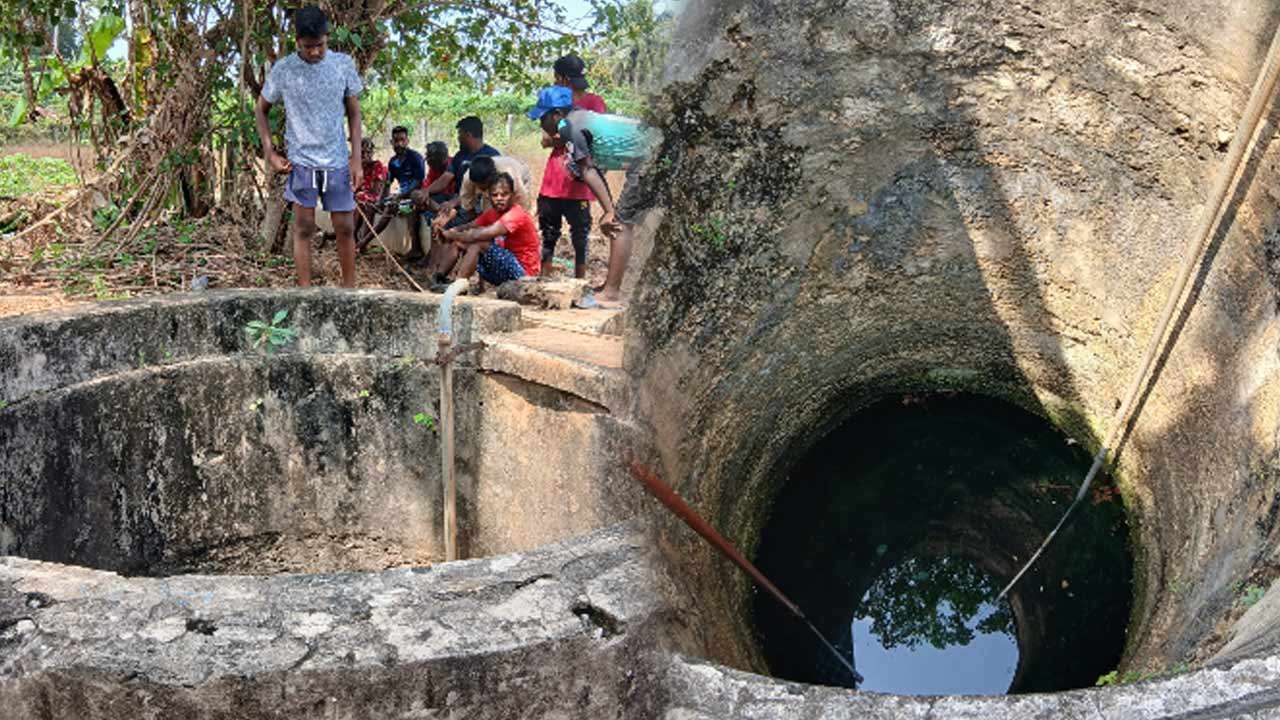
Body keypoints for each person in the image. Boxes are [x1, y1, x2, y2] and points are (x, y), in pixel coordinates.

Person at [254, 4, 363, 287]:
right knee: (303, 228)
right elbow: (261, 108)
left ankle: (349, 290)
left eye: (320, 45)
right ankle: (304, 293)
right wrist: (270, 152)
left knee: (345, 227)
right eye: (308, 47)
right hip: (301, 162)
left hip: (337, 161)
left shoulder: (342, 65)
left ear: (328, 37)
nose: (315, 52)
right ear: (297, 41)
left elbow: (354, 112)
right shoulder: (284, 69)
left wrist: (357, 159)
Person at [529, 86, 659, 306]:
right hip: (651, 153)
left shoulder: (571, 126)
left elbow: (588, 170)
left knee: (620, 223)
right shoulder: (579, 120)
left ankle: (611, 292)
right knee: (621, 220)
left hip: (650, 157)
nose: (540, 124)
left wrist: (609, 211)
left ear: (557, 114)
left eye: (542, 117)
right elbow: (595, 168)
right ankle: (612, 287)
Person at [538, 58, 606, 278]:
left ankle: (581, 282)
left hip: (578, 181)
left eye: (556, 77)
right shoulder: (554, 101)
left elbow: (595, 140)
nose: (555, 81)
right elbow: (545, 139)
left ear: (563, 78)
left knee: (580, 235)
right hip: (554, 181)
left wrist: (562, 138)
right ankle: (544, 279)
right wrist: (569, 138)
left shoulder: (594, 103)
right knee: (548, 232)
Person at [433, 172, 539, 288]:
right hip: (506, 266)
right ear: (489, 196)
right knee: (459, 243)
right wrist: (448, 231)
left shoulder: (516, 214)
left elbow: (479, 235)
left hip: (524, 273)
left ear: (513, 196)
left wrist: (452, 234)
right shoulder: (492, 213)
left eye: (504, 194)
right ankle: (439, 278)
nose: (499, 199)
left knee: (479, 244)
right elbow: (468, 226)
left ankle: (458, 286)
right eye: (495, 195)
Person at [421, 116, 499, 215]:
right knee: (419, 197)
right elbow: (446, 178)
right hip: (456, 198)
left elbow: (482, 190)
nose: (458, 138)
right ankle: (443, 214)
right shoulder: (460, 155)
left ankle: (446, 216)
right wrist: (426, 191)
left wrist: (454, 202)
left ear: (468, 135)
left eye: (459, 134)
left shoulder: (492, 156)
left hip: (476, 202)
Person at [354, 137, 386, 248]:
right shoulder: (355, 167)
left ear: (372, 153)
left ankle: (361, 242)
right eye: (361, 152)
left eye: (368, 152)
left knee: (363, 203)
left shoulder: (377, 166)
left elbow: (376, 191)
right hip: (358, 197)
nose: (364, 155)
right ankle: (352, 238)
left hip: (373, 198)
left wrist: (359, 193)